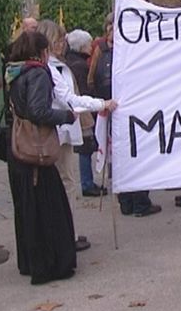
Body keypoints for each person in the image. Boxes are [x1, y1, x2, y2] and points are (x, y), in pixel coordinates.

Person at [37, 20, 117, 250]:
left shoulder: (54, 66)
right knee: (66, 183)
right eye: (59, 40)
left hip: (61, 133)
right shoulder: (52, 69)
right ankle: (66, 235)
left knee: (66, 182)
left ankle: (65, 232)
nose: (63, 44)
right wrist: (101, 103)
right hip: (59, 134)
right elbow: (69, 99)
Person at [5, 31, 77, 284]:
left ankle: (31, 260)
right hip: (36, 149)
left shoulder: (15, 72)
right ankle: (51, 263)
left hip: (19, 146)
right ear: (41, 52)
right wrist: (65, 117)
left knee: (27, 207)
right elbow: (38, 111)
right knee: (47, 206)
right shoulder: (37, 73)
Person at [88, 14, 162, 217]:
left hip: (113, 110)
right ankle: (138, 202)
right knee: (133, 155)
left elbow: (91, 80)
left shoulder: (101, 51)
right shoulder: (129, 52)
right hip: (125, 111)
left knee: (121, 156)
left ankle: (127, 202)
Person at [66, 29, 106, 197]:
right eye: (89, 44)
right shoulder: (80, 66)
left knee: (86, 147)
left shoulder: (72, 62)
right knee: (86, 147)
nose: (91, 47)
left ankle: (88, 182)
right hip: (83, 111)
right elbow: (84, 90)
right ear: (82, 46)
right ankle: (87, 183)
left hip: (80, 109)